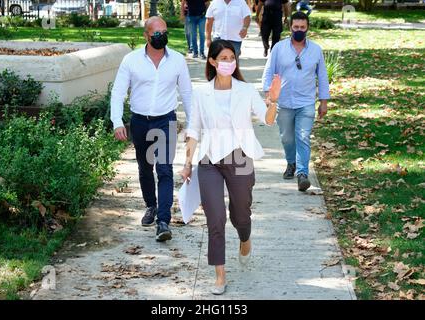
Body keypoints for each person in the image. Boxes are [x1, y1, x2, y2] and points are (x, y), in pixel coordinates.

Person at [180, 39, 281, 295]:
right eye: (223, 58)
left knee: (241, 214)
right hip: (209, 161)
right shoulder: (201, 92)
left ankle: (245, 239)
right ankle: (219, 275)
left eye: (231, 58)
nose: (228, 62)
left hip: (240, 158)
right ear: (212, 61)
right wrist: (187, 162)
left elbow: (267, 121)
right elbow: (193, 129)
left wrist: (273, 102)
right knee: (215, 219)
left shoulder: (245, 90)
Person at [110, 16, 192, 242]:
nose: (161, 37)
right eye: (156, 33)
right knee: (145, 167)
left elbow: (187, 94)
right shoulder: (131, 60)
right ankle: (151, 206)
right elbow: (118, 92)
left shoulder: (177, 60)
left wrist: (193, 125)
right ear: (146, 36)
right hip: (140, 122)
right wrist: (117, 121)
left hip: (166, 121)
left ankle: (163, 221)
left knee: (164, 170)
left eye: (164, 32)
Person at [262, 11, 330, 192]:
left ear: (307, 28)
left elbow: (322, 76)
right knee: (287, 138)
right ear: (290, 27)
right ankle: (291, 163)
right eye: (296, 27)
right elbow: (269, 71)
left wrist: (323, 101)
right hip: (283, 102)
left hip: (306, 101)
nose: (299, 30)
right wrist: (268, 94)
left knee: (303, 136)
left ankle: (302, 174)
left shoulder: (316, 50)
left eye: (302, 27)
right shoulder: (279, 48)